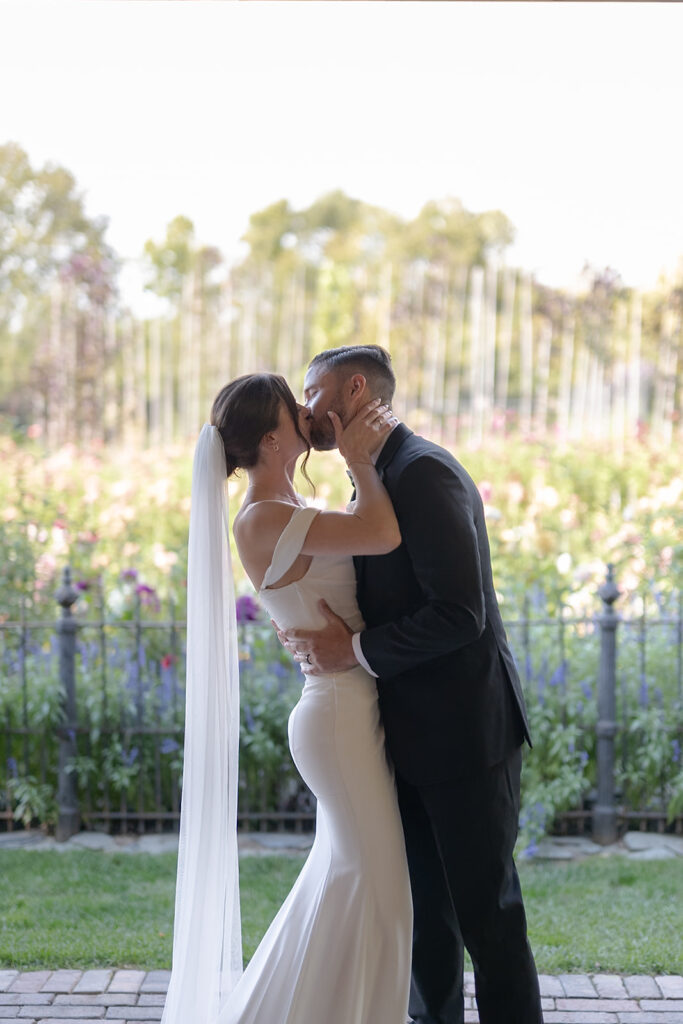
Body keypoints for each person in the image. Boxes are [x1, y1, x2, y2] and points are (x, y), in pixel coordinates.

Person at [277, 345, 544, 1024]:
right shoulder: (375, 474)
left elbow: (460, 614)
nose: (305, 407)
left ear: (355, 388)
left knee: (489, 919)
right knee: (427, 923)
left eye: (313, 391)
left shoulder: (422, 472)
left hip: (464, 739)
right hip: (405, 737)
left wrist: (354, 650)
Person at [161, 372, 413, 1024]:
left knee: (347, 883)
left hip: (346, 706)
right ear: (273, 440)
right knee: (378, 891)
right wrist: (361, 461)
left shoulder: (285, 505)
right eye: (291, 407)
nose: (307, 411)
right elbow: (382, 534)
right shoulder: (264, 518)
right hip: (335, 715)